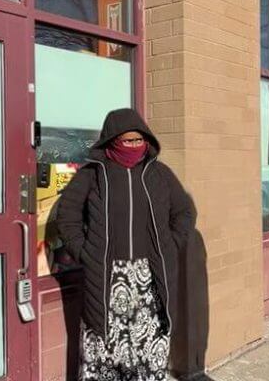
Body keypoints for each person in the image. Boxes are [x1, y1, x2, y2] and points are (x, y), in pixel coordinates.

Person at [54, 108, 196, 380]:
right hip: (107, 275)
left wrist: (171, 243)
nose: (134, 146)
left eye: (138, 139)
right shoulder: (92, 174)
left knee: (148, 348)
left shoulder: (159, 174)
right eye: (127, 140)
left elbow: (183, 213)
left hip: (149, 276)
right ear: (112, 140)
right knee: (104, 349)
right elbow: (67, 216)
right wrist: (84, 252)